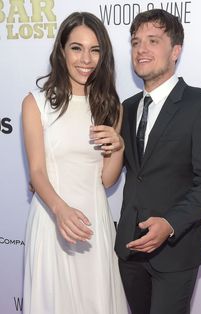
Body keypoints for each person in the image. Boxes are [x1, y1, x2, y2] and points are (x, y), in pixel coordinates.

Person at [115, 9, 201, 314]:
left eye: (153, 40)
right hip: (128, 250)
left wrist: (170, 224)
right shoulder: (126, 107)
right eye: (136, 42)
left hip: (175, 254)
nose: (141, 49)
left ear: (175, 51)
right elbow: (115, 168)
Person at [22, 12, 128, 314]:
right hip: (52, 221)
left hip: (94, 223)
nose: (86, 59)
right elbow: (37, 171)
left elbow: (105, 180)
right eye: (77, 48)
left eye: (95, 50)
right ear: (62, 51)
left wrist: (118, 146)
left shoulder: (110, 106)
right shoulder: (36, 103)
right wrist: (61, 211)